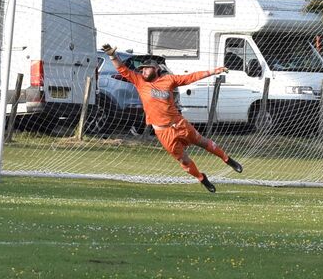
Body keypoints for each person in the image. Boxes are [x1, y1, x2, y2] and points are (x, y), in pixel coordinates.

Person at [102, 44, 243, 193]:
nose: (143, 71)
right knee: (183, 160)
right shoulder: (139, 81)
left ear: (156, 69)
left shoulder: (168, 80)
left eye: (146, 68)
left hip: (179, 123)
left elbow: (191, 77)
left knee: (202, 142)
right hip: (162, 132)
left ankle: (228, 160)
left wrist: (214, 71)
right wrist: (112, 55)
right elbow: (122, 69)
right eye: (141, 69)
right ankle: (202, 178)